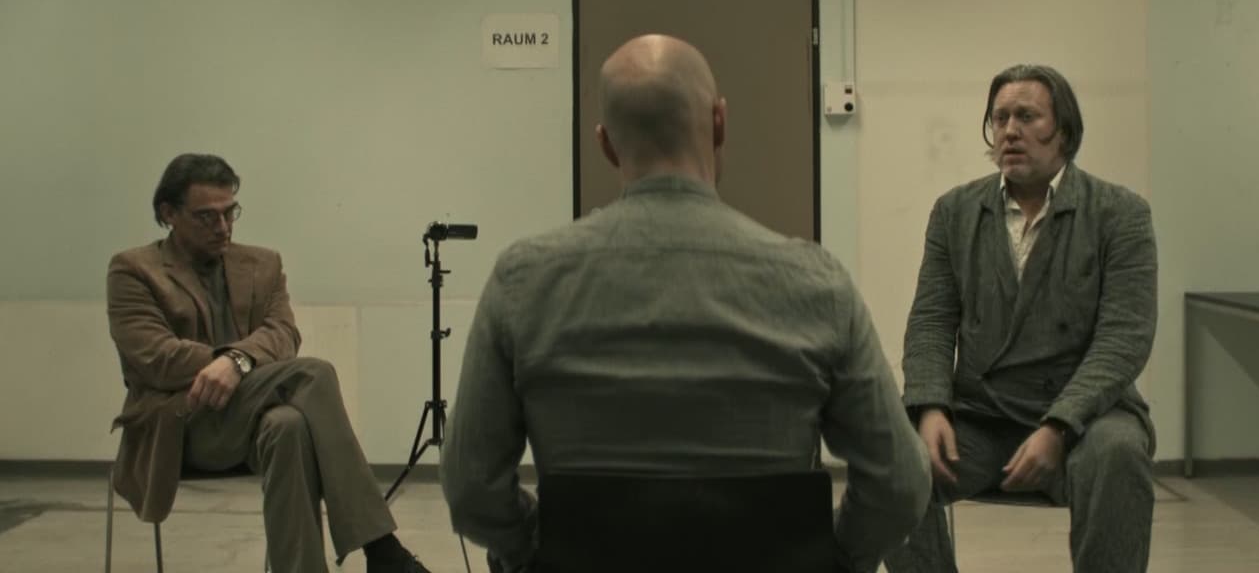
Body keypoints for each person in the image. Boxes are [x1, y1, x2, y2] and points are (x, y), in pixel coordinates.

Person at [440, 34, 930, 573]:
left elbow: (470, 488)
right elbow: (900, 485)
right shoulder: (819, 285)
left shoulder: (523, 281)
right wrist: (832, 558)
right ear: (719, 123)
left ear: (606, 145)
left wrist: (533, 550)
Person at [884, 64, 1158, 572]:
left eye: (1027, 117)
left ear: (1065, 132)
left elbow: (1124, 339)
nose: (1010, 130)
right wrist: (929, 406)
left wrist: (1059, 425)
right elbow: (931, 323)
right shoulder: (955, 211)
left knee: (1119, 452)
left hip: (1088, 418)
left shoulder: (1120, 214)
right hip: (981, 415)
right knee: (892, 455)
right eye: (1000, 117)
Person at [107, 153, 430, 573]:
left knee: (288, 425)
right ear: (168, 213)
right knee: (314, 373)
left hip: (251, 420)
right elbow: (157, 357)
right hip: (181, 425)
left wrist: (238, 361)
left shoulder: (263, 263)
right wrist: (231, 360)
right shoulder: (133, 270)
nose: (223, 227)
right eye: (206, 217)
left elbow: (283, 333)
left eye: (230, 212)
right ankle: (382, 550)